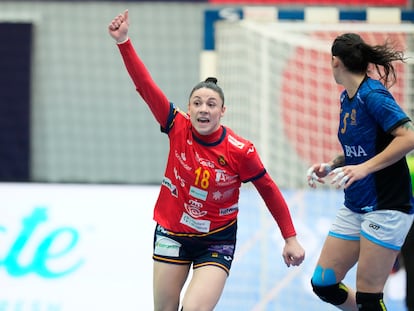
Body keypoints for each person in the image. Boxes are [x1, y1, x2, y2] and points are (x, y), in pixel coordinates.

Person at [108, 10, 305, 311]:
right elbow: (146, 86)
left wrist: (290, 238)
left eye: (211, 104)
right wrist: (124, 41)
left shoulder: (241, 151)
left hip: (216, 238)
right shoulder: (176, 125)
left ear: (222, 111)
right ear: (189, 107)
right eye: (197, 103)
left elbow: (269, 190)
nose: (203, 109)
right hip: (172, 232)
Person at [306, 33, 414, 311]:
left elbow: (408, 137)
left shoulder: (373, 94)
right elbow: (362, 150)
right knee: (324, 283)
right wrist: (332, 165)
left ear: (335, 61)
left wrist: (364, 169)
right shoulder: (347, 99)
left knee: (369, 297)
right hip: (356, 205)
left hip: (387, 206)